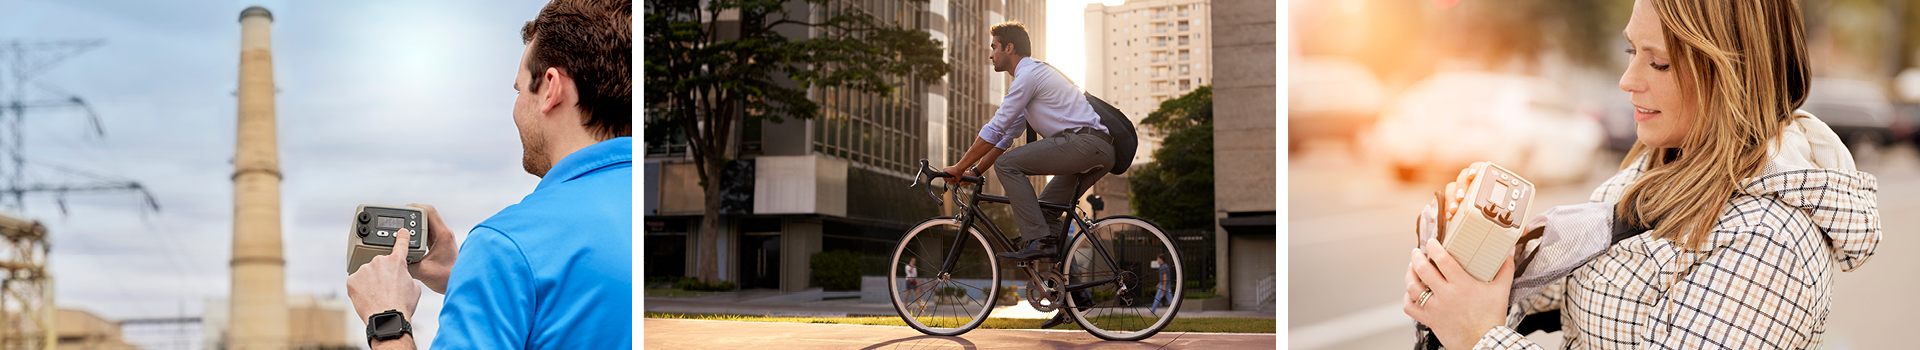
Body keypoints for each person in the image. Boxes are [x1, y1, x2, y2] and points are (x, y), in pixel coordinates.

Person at [1402, 0, 1880, 348]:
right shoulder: (1657, 171)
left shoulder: (1768, 243)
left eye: (1660, 61)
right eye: (1631, 50)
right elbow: (1571, 283)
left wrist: (1481, 338)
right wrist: (1470, 266)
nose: (1628, 79)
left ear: (1733, 75)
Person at [344, 0, 633, 349]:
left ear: (550, 88)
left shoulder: (507, 244)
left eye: (519, 89)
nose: (516, 105)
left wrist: (385, 317)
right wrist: (475, 279)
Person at [940, 20, 1112, 330]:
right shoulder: (1032, 80)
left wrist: (958, 167)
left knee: (1011, 170)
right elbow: (1004, 138)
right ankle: (1076, 298)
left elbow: (994, 127)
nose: (990, 55)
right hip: (1094, 149)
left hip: (1085, 144)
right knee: (1045, 215)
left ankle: (1038, 240)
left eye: (994, 48)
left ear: (1009, 48)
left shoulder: (1028, 75)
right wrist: (975, 172)